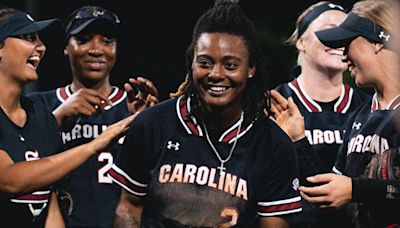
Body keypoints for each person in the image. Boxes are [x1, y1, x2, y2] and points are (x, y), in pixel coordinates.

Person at [108, 0, 303, 227]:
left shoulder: (273, 144)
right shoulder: (153, 124)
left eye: (230, 65)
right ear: (191, 64)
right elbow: (129, 207)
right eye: (205, 63)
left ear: (251, 68)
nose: (216, 74)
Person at [0, 6, 135, 228]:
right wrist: (94, 145)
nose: (41, 47)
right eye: (27, 37)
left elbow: (48, 199)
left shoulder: (39, 116)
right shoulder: (47, 109)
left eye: (39, 39)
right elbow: (9, 180)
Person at [27, 5, 158, 228]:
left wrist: (145, 125)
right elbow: (20, 169)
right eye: (84, 39)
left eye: (107, 41)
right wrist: (57, 117)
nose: (96, 49)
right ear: (66, 47)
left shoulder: (136, 106)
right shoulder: (40, 105)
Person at [272, 0, 400, 226]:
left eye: (347, 42)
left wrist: (356, 189)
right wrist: (299, 141)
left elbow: (351, 191)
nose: (343, 54)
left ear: (377, 42)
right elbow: (331, 196)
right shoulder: (360, 116)